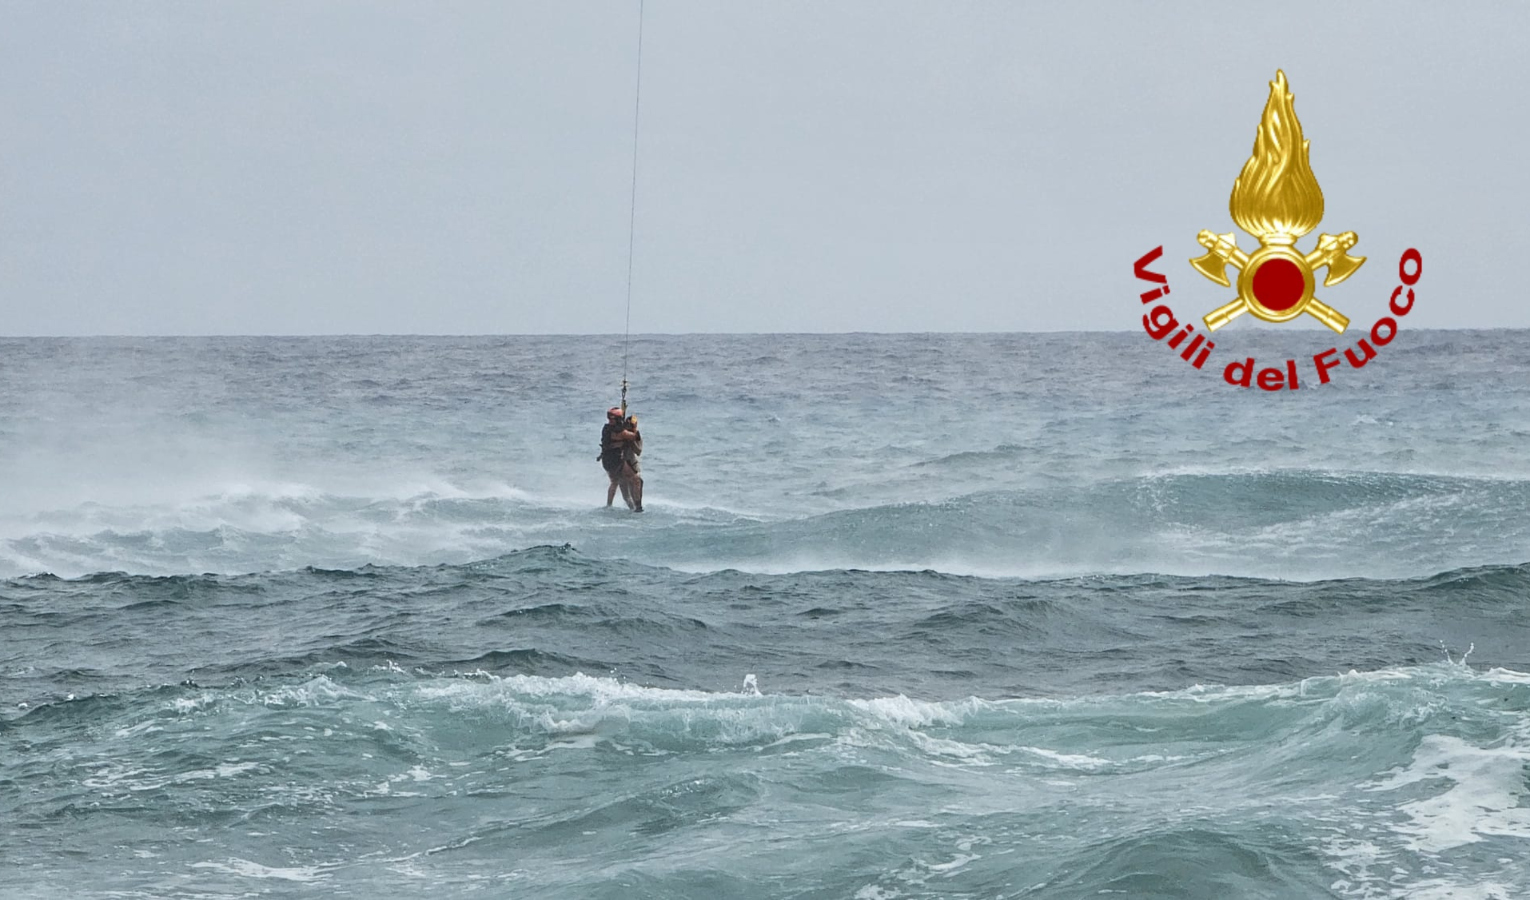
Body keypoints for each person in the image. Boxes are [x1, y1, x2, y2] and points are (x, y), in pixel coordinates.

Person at [598, 407, 633, 508]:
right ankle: (610, 505)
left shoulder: (606, 428)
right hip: (615, 460)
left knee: (620, 481)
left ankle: (628, 503)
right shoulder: (619, 432)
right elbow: (633, 436)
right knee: (617, 481)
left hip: (606, 459)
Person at [620, 414, 643, 513]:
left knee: (638, 483)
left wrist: (631, 441)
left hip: (633, 464)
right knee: (625, 492)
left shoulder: (636, 435)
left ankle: (638, 507)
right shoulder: (622, 434)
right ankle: (631, 508)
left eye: (634, 425)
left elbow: (638, 451)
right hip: (621, 465)